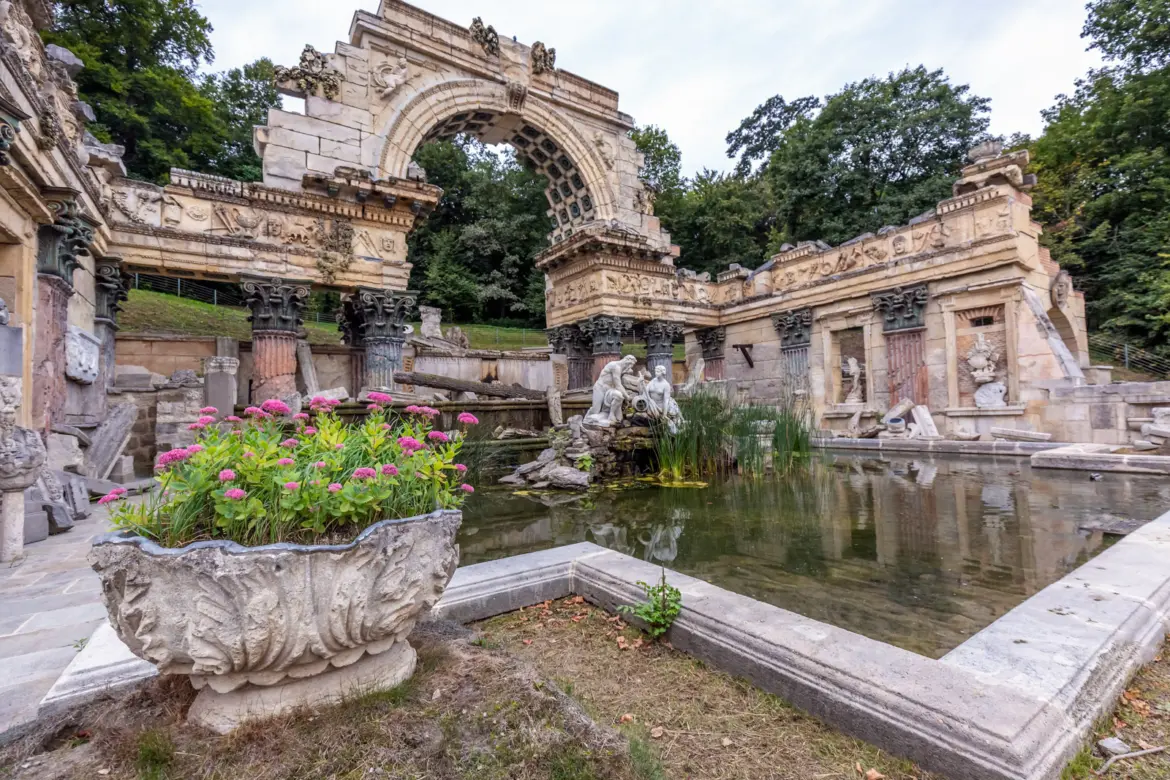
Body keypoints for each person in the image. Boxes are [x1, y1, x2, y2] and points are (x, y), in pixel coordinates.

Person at [586, 354, 637, 426]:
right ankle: (588, 420)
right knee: (596, 410)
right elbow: (618, 385)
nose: (631, 366)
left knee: (618, 396)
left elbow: (626, 374)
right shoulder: (615, 366)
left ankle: (612, 416)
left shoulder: (622, 368)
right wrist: (627, 397)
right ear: (627, 361)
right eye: (631, 364)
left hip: (610, 389)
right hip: (600, 388)